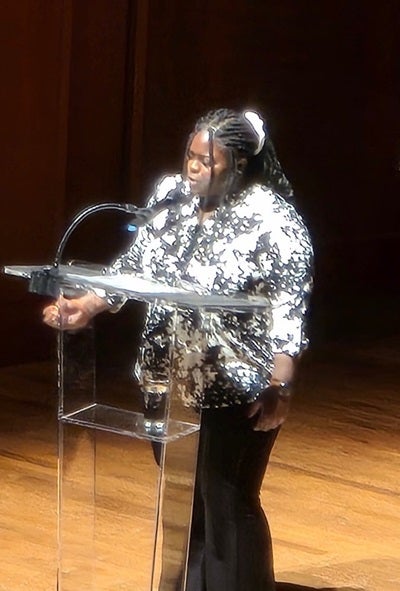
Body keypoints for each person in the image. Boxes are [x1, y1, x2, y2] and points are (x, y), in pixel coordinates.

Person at [43, 108, 313, 591]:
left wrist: (281, 382)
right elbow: (137, 264)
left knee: (228, 499)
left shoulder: (272, 221)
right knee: (186, 498)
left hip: (237, 383)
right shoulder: (171, 199)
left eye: (207, 161)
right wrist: (86, 305)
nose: (193, 168)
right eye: (190, 155)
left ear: (239, 165)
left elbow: (288, 308)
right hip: (167, 380)